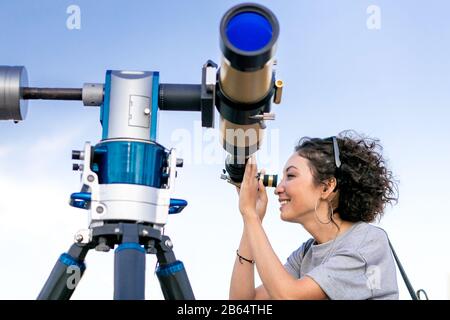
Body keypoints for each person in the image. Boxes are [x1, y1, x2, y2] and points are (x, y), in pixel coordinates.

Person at [229, 130, 399, 300]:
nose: (278, 189)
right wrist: (252, 218)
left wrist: (250, 215)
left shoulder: (367, 242)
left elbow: (288, 296)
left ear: (326, 187)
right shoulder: (305, 255)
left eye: (290, 176)